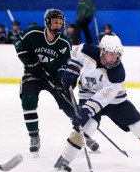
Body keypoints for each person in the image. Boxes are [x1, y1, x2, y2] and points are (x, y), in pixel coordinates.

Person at [52, 35, 140, 172]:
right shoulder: (86, 50)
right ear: (102, 51)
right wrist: (72, 72)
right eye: (111, 54)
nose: (114, 58)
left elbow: (102, 99)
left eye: (117, 54)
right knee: (88, 127)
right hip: (88, 95)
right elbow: (76, 56)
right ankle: (63, 161)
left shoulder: (117, 74)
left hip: (116, 101)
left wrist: (85, 112)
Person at [14, 8, 99, 157]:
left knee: (69, 105)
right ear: (47, 22)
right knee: (28, 99)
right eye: (55, 22)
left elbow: (63, 65)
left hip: (52, 77)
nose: (58, 25)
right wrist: (32, 63)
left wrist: (60, 82)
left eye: (60, 23)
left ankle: (84, 134)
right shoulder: (33, 33)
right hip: (32, 74)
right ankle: (34, 136)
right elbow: (19, 46)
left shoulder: (64, 43)